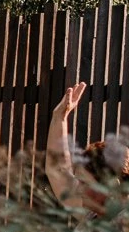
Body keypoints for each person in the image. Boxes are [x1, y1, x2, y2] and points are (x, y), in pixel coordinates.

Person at [46, 81, 129, 216]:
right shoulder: (96, 215)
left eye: (84, 183)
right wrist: (59, 117)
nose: (78, 188)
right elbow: (58, 170)